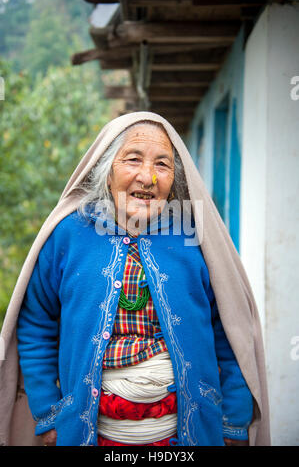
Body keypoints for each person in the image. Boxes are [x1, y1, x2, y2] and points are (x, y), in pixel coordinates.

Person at [0, 112, 270, 447]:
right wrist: (49, 414)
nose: (148, 177)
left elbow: (231, 332)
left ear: (175, 180)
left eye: (162, 165)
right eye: (133, 159)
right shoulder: (69, 235)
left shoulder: (195, 237)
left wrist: (233, 421)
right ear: (107, 171)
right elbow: (37, 324)